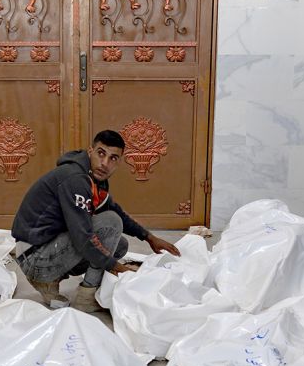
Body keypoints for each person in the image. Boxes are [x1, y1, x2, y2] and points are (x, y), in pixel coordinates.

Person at [12, 130, 181, 311]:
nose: (105, 163)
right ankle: (86, 298)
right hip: (34, 257)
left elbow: (114, 208)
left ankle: (50, 281)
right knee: (111, 223)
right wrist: (116, 267)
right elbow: (83, 237)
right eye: (101, 153)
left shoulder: (94, 177)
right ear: (90, 151)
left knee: (120, 245)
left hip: (41, 249)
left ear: (119, 162)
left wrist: (148, 237)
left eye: (113, 158)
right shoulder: (76, 179)